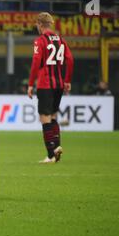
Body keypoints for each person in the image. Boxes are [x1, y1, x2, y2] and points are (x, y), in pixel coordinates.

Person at [27, 12, 74, 164]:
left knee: (45, 118)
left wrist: (30, 84)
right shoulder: (61, 40)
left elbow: (35, 63)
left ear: (40, 24)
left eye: (37, 25)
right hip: (59, 84)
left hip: (45, 84)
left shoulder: (40, 41)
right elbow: (70, 60)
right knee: (53, 117)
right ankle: (57, 146)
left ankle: (50, 154)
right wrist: (67, 81)